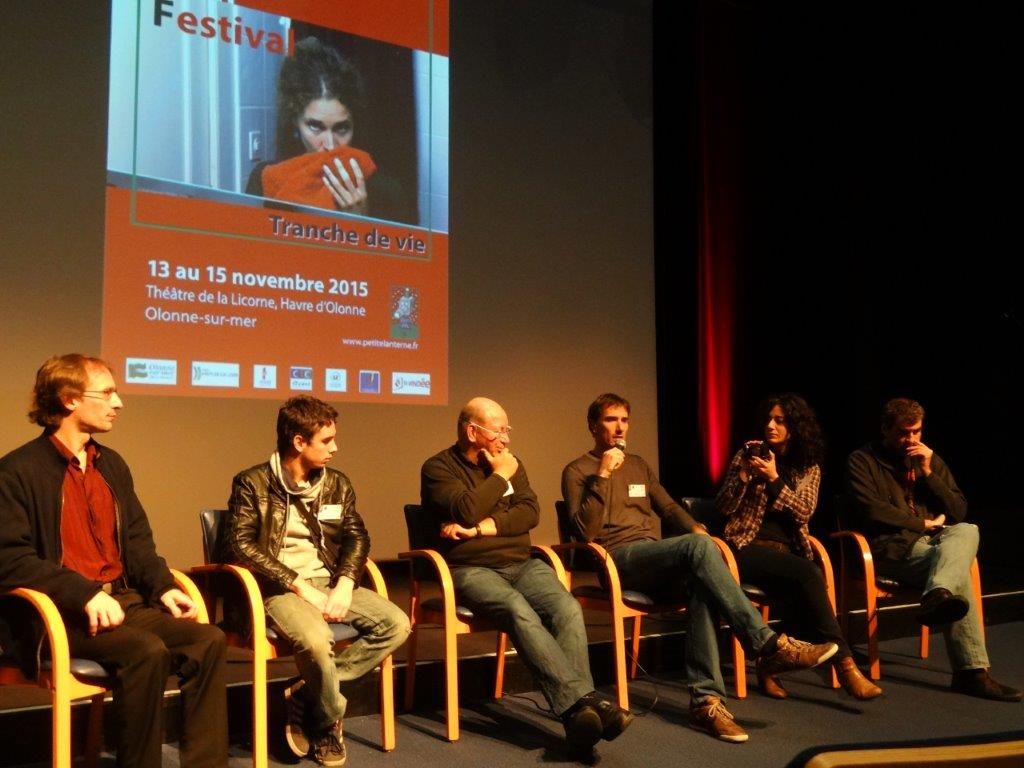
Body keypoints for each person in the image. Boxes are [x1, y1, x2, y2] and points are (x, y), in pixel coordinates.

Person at [562, 393, 839, 743]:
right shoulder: (577, 471)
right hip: (615, 560)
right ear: (593, 426)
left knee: (702, 583)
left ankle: (706, 703)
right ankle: (767, 644)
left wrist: (696, 529)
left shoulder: (638, 464)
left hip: (655, 557)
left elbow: (669, 507)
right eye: (610, 420)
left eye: (625, 420)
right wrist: (601, 475)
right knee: (698, 550)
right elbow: (583, 531)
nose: (619, 427)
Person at [0, 354, 227, 768]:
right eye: (106, 393)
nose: (118, 402)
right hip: (61, 616)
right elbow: (11, 560)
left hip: (123, 604)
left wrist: (164, 587)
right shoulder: (17, 471)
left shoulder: (112, 465)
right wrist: (82, 594)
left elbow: (138, 541)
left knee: (207, 639)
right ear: (69, 400)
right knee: (146, 651)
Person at [420, 397, 633, 756]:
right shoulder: (439, 468)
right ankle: (585, 704)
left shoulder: (511, 463)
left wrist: (478, 530)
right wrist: (500, 477)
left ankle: (578, 714)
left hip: (522, 562)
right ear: (472, 432)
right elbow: (465, 507)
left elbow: (529, 513)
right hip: (469, 569)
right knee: (518, 609)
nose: (505, 439)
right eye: (498, 431)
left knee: (566, 608)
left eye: (507, 430)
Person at [225, 395, 410, 766]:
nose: (335, 448)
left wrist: (344, 583)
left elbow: (357, 537)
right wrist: (298, 585)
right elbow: (240, 545)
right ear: (298, 441)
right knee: (316, 639)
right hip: (279, 588)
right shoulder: (253, 483)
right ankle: (327, 725)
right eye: (326, 440)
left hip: (329, 580)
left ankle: (310, 696)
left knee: (397, 625)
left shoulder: (337, 484)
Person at [846, 397, 1022, 702]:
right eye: (904, 433)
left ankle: (937, 594)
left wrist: (929, 473)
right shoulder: (862, 460)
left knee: (968, 530)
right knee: (960, 570)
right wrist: (922, 525)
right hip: (893, 550)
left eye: (917, 432)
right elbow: (871, 510)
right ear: (885, 429)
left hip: (935, 547)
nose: (911, 439)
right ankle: (971, 673)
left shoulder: (927, 459)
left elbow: (959, 509)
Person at [716, 394, 881, 700]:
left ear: (795, 426)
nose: (771, 425)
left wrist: (775, 478)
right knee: (808, 574)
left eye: (780, 420)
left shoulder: (809, 468)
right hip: (745, 547)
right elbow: (723, 507)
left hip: (786, 553)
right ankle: (846, 666)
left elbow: (804, 512)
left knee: (805, 579)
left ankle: (769, 666)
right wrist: (743, 476)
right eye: (768, 419)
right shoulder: (749, 453)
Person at [246, 36, 408, 221]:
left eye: (342, 128)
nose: (330, 145)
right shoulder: (265, 179)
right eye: (315, 126)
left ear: (355, 124)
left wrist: (360, 221)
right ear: (295, 122)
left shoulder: (386, 192)